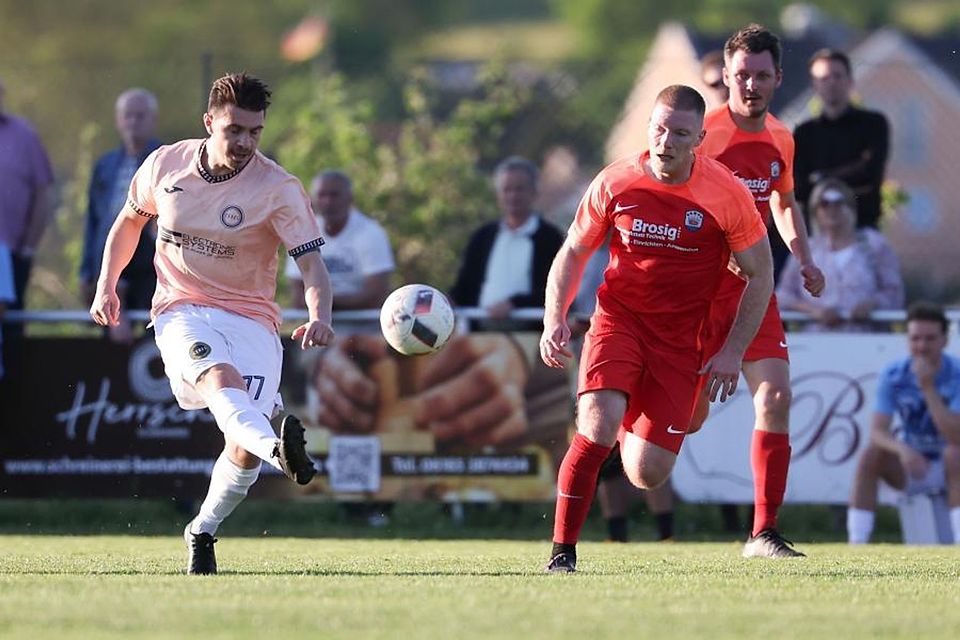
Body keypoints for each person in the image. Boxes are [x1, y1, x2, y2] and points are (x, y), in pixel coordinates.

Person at [89, 73, 334, 575]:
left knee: (242, 452)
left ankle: (202, 528)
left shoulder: (279, 188)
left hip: (252, 319)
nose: (244, 142)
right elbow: (129, 222)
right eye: (234, 130)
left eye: (254, 132)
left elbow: (311, 264)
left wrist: (319, 315)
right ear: (209, 122)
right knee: (221, 380)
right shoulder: (165, 164)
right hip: (181, 308)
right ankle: (280, 451)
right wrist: (106, 285)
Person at [540, 84, 775, 572]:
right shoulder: (616, 181)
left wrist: (732, 351)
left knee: (647, 473)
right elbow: (574, 251)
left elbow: (761, 274)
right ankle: (562, 554)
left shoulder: (726, 193)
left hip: (682, 340)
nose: (666, 141)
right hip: (618, 320)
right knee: (596, 426)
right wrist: (553, 318)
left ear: (699, 140)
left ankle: (640, 416)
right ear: (648, 127)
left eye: (680, 133)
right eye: (660, 129)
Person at [691, 24, 826, 558]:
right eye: (742, 75)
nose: (751, 85)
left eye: (761, 76)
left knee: (776, 396)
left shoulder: (782, 138)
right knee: (688, 419)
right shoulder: (703, 135)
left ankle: (763, 532)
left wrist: (805, 258)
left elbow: (784, 202)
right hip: (698, 291)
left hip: (755, 286)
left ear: (778, 79)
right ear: (725, 77)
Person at [847, 302, 960, 545]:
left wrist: (928, 387)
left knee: (955, 454)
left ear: (945, 340)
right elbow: (878, 431)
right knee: (871, 454)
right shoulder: (894, 373)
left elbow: (956, 435)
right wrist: (903, 450)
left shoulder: (956, 373)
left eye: (930, 339)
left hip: (951, 467)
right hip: (913, 464)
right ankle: (857, 542)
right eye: (915, 339)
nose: (922, 346)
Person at [80, 88, 162, 343]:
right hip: (112, 264)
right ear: (118, 120)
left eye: (140, 115)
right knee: (112, 338)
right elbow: (93, 221)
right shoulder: (105, 165)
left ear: (153, 120)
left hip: (152, 268)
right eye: (128, 115)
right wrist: (87, 272)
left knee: (156, 338)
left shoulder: (164, 159)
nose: (133, 122)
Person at [777, 178, 904, 332]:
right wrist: (814, 311)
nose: (832, 209)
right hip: (817, 337)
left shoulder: (873, 244)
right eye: (824, 204)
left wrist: (872, 304)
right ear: (815, 211)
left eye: (838, 203)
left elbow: (894, 291)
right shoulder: (805, 249)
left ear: (851, 207)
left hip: (866, 336)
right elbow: (783, 295)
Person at [449, 156, 564, 324]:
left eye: (519, 189)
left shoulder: (550, 238)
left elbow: (559, 290)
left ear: (534, 192)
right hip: (479, 331)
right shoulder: (482, 237)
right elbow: (464, 287)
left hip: (532, 332)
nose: (513, 196)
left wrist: (515, 304)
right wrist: (446, 301)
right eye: (507, 189)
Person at [793, 49, 890, 230]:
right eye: (824, 78)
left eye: (837, 76)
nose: (831, 83)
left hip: (862, 227)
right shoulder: (804, 133)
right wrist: (847, 177)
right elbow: (799, 187)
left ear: (850, 81)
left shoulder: (873, 124)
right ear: (814, 85)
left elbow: (871, 171)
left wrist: (821, 179)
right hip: (817, 232)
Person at [285, 170, 393, 311]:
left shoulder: (371, 233)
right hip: (318, 321)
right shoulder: (303, 233)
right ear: (312, 200)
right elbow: (297, 294)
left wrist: (323, 302)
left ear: (350, 198)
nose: (328, 202)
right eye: (322, 195)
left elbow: (376, 294)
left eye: (334, 195)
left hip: (362, 322)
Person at [0, 76, 55, 338]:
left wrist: (28, 247)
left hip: (11, 253)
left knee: (9, 328)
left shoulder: (23, 136)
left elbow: (42, 192)